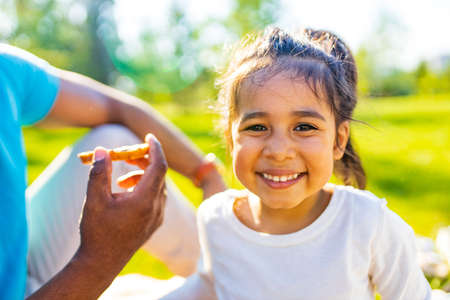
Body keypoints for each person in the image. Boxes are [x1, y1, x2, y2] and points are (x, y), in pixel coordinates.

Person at [112, 27, 432, 299]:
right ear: (230, 137)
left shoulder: (366, 223)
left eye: (304, 127)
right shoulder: (217, 218)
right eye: (257, 128)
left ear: (339, 140)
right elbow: (210, 283)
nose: (279, 151)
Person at [0, 43, 226, 300]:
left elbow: (117, 108)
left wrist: (206, 174)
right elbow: (97, 262)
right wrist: (99, 260)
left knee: (113, 140)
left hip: (18, 265)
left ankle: (224, 272)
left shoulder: (3, 69)